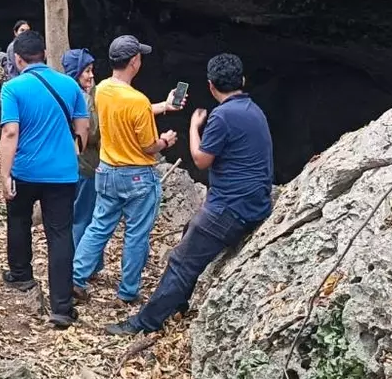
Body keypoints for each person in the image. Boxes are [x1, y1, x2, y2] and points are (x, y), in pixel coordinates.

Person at [106, 53, 273, 336]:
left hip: (231, 209)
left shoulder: (222, 116)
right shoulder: (253, 110)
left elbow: (200, 159)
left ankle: (145, 323)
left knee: (181, 261)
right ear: (242, 81)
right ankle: (180, 301)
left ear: (210, 86)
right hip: (256, 202)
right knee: (189, 230)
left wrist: (194, 127)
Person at [71, 35, 183, 304]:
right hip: (137, 177)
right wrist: (165, 141)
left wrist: (164, 106)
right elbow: (148, 146)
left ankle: (75, 279)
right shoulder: (137, 100)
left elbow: (126, 115)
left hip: (106, 170)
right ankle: (127, 291)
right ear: (134, 61)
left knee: (98, 227)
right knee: (136, 234)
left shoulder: (101, 90)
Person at [0, 31, 90, 328]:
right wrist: (74, 152)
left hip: (25, 170)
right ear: (46, 55)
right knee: (60, 235)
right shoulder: (70, 85)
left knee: (19, 219)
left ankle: (21, 275)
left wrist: (5, 173)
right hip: (62, 173)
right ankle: (61, 307)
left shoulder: (13, 88)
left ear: (18, 59)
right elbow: (83, 127)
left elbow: (10, 132)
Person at [60, 48, 100, 269]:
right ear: (76, 73)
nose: (91, 75)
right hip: (86, 164)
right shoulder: (83, 98)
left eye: (92, 70)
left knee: (74, 214)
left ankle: (83, 263)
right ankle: (81, 266)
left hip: (66, 163)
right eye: (87, 71)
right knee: (84, 217)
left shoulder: (62, 92)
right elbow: (91, 132)